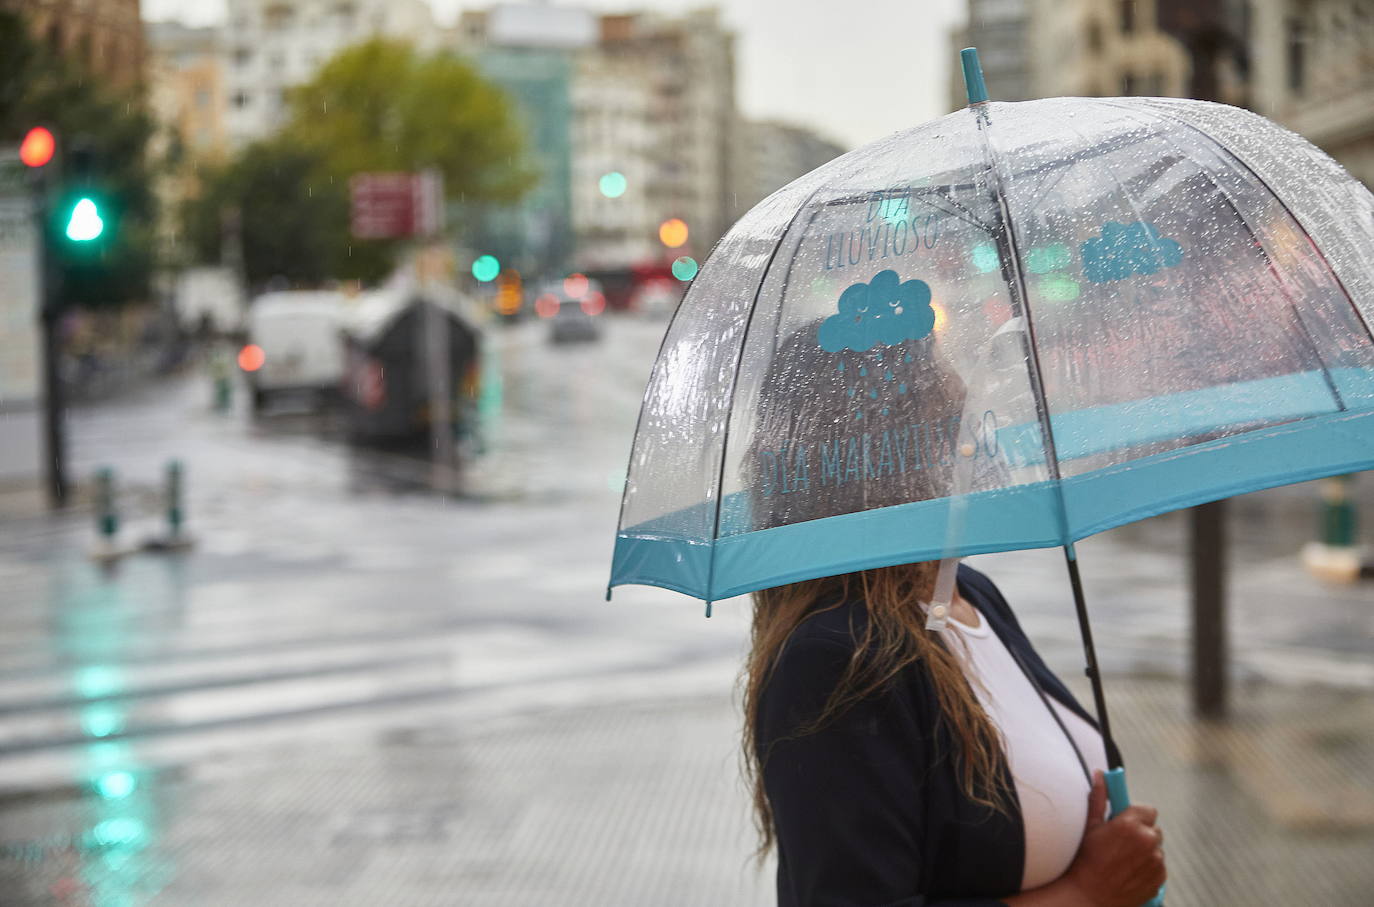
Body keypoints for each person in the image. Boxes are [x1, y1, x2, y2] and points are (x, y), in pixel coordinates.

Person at [741, 320, 1166, 905]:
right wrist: (1088, 893)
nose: (974, 441)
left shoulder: (971, 594)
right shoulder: (837, 659)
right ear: (883, 458)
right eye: (948, 421)